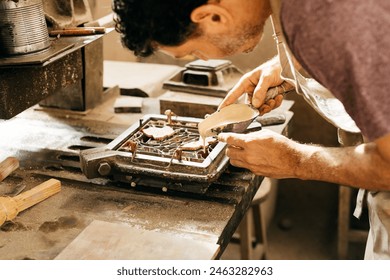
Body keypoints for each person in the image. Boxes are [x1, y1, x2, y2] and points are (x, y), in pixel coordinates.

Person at [112, 0, 390, 259]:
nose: (203, 60)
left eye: (194, 52)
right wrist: (287, 64)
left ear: (212, 16)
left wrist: (297, 161)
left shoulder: (327, 23)